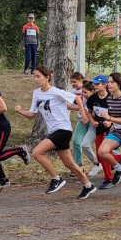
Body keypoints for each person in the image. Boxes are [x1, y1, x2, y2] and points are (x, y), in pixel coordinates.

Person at [15, 65, 97, 199]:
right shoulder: (36, 93)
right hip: (54, 130)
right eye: (34, 76)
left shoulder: (55, 92)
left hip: (63, 129)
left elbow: (77, 99)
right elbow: (32, 114)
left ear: (47, 78)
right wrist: (21, 111)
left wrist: (83, 115)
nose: (35, 79)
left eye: (38, 76)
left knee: (37, 152)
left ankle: (56, 178)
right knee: (69, 163)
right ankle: (89, 186)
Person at [85, 75, 121, 189]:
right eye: (93, 83)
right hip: (99, 128)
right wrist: (92, 121)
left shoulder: (111, 97)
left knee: (104, 155)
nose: (94, 85)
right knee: (100, 156)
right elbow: (89, 112)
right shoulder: (92, 98)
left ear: (105, 85)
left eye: (97, 84)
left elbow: (119, 114)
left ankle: (108, 179)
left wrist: (111, 123)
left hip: (111, 130)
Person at [68, 73, 95, 175]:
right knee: (76, 142)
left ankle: (106, 163)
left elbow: (87, 107)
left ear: (81, 80)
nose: (73, 84)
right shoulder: (73, 92)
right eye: (71, 82)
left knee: (98, 143)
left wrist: (73, 108)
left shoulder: (89, 89)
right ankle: (78, 166)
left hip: (92, 118)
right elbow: (79, 105)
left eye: (74, 82)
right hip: (82, 119)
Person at [80, 82, 103, 177]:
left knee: (108, 149)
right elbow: (89, 113)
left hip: (104, 127)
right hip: (93, 127)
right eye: (82, 92)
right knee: (84, 145)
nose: (83, 94)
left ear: (92, 91)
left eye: (85, 92)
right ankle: (97, 164)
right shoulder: (87, 100)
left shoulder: (99, 99)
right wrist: (90, 119)